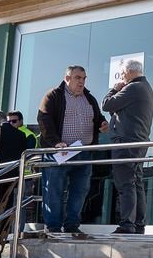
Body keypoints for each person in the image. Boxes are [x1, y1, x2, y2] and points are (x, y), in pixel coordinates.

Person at [37, 65, 107, 235]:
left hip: (84, 153)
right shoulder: (54, 96)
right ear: (67, 78)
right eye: (78, 78)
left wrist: (102, 123)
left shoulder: (89, 98)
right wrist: (55, 142)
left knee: (80, 191)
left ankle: (72, 225)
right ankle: (53, 227)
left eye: (84, 78)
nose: (81, 82)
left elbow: (97, 118)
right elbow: (44, 119)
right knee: (54, 190)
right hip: (59, 152)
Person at [102, 59, 153, 234]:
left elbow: (107, 104)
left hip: (126, 143)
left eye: (122, 73)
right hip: (136, 142)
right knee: (135, 182)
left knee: (126, 183)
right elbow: (117, 109)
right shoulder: (144, 87)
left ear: (130, 72)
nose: (121, 77)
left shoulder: (133, 88)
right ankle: (138, 224)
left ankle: (127, 224)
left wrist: (114, 89)